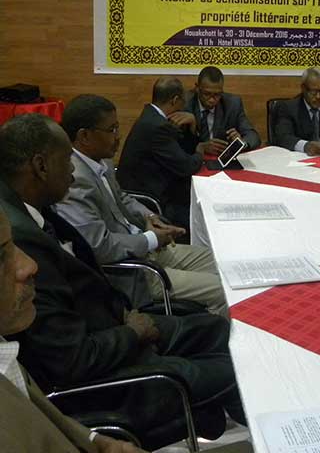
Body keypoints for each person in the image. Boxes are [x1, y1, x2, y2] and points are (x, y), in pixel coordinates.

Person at [0, 113, 246, 439]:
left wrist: (125, 318)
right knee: (239, 370)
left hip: (114, 328)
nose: (72, 169)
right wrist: (131, 333)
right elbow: (70, 359)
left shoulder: (30, 208)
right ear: (41, 166)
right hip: (106, 378)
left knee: (217, 329)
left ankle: (236, 418)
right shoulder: (19, 238)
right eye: (67, 160)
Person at [55, 94, 227, 315]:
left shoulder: (101, 159)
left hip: (146, 249)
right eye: (112, 130)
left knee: (224, 264)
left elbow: (122, 198)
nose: (118, 136)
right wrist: (151, 239)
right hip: (133, 273)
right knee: (222, 290)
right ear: (84, 136)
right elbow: (99, 246)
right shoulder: (72, 179)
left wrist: (150, 217)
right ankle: (209, 333)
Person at [1, 207, 148, 452]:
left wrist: (96, 441)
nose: (29, 265)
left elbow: (40, 418)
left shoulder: (4, 344)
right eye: (1, 255)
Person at [117, 77, 219, 230]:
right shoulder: (157, 126)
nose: (184, 106)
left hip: (152, 185)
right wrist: (200, 151)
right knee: (204, 217)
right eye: (182, 101)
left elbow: (181, 150)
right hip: (152, 199)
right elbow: (186, 166)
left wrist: (192, 124)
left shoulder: (152, 116)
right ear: (175, 100)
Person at [181, 65, 260, 153]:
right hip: (193, 157)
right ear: (197, 88)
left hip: (221, 157)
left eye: (217, 95)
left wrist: (241, 143)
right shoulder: (184, 104)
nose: (211, 100)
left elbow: (253, 136)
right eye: (207, 94)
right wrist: (200, 147)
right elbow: (175, 142)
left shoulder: (232, 104)